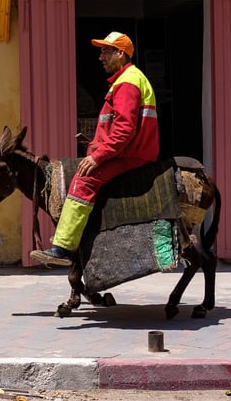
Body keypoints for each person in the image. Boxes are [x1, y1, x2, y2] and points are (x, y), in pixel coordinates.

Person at [29, 31, 159, 267]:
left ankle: (64, 248)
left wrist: (97, 156)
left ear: (121, 53)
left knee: (84, 180)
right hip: (129, 150)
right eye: (101, 51)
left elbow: (124, 130)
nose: (101, 57)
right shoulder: (127, 79)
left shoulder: (127, 82)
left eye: (106, 51)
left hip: (131, 154)